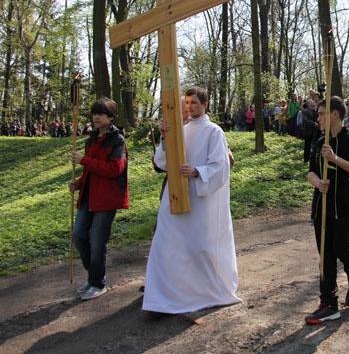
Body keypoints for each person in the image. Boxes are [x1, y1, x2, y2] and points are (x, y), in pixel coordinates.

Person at [143, 86, 240, 314]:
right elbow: (163, 163)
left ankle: (204, 290)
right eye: (187, 103)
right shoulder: (181, 130)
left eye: (194, 102)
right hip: (175, 195)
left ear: (205, 105)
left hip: (201, 200)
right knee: (166, 241)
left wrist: (196, 171)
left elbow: (220, 166)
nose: (189, 107)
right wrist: (166, 138)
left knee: (199, 247)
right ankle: (162, 296)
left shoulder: (214, 132)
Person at [305, 96, 349, 324]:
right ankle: (328, 303)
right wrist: (317, 183)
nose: (318, 118)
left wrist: (335, 158)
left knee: (341, 248)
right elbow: (310, 171)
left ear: (334, 114)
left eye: (322, 113)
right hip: (321, 206)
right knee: (326, 255)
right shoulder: (319, 140)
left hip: (344, 204)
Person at [69, 97, 129, 301]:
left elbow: (115, 169)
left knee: (97, 241)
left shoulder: (117, 140)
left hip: (107, 197)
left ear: (110, 117)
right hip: (89, 194)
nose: (96, 116)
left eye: (101, 113)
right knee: (78, 235)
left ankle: (97, 282)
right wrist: (78, 183)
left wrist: (84, 160)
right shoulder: (90, 139)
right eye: (94, 113)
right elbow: (89, 171)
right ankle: (93, 274)